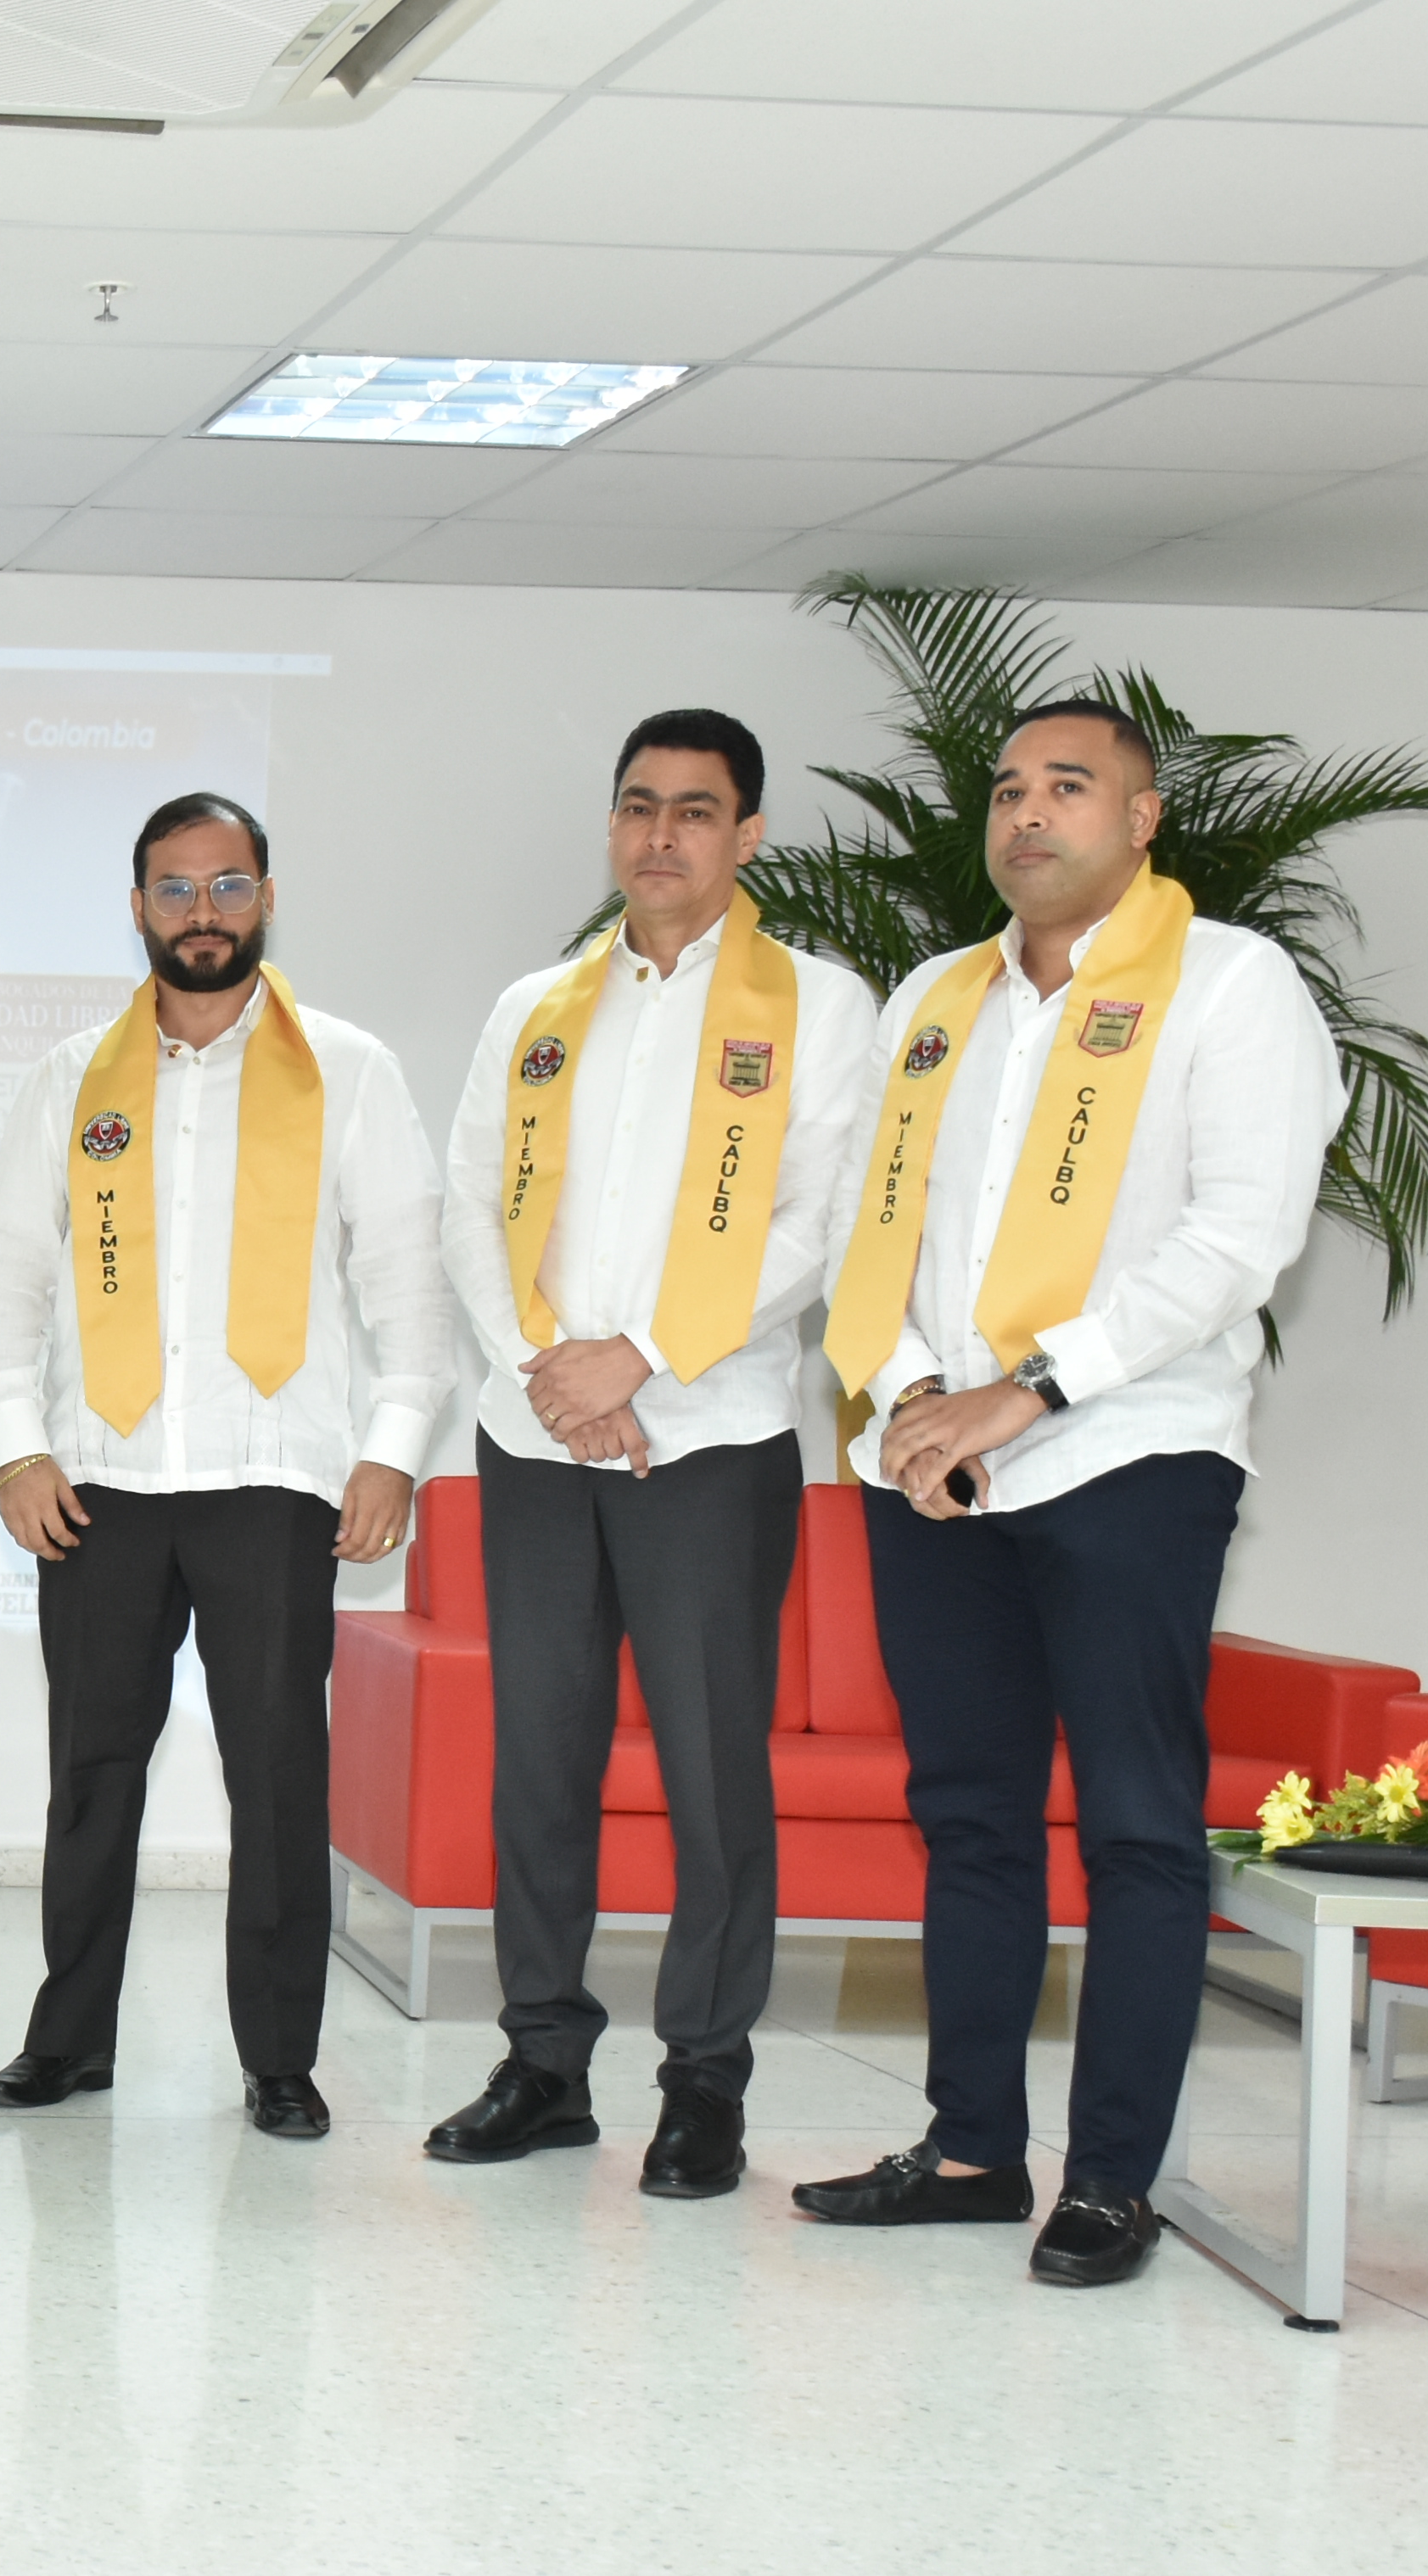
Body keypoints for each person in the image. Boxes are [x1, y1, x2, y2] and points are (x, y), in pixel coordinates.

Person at [795, 699, 1336, 2289]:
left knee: (1139, 1831)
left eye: (1070, 788)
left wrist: (1025, 1392)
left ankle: (1111, 2180)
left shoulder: (1231, 983)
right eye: (1010, 789)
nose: (1029, 814)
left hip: (1126, 1457)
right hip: (938, 1466)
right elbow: (870, 1227)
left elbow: (1238, 1239)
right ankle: (971, 2148)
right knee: (967, 1817)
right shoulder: (935, 996)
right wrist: (909, 1398)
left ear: (1145, 814)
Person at [0, 792, 453, 2139]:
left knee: (280, 1781)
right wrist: (15, 1446)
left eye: (227, 887)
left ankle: (280, 2059)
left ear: (267, 898)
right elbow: (4, 1283)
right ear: (136, 909)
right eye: (174, 891)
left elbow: (408, 1283)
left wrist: (392, 1453)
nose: (202, 915)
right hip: (99, 1489)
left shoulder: (347, 1071)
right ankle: (69, 2042)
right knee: (90, 1777)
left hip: (275, 1485)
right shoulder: (66, 1079)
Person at [426, 710, 876, 2201]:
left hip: (712, 1440)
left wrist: (645, 1362)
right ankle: (544, 2062)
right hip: (537, 1437)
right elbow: (471, 1208)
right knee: (538, 1763)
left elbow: (819, 1221)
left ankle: (705, 2082)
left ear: (748, 836)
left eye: (695, 811)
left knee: (706, 1774)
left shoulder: (817, 1004)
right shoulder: (536, 1010)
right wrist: (550, 1375)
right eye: (637, 806)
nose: (660, 835)